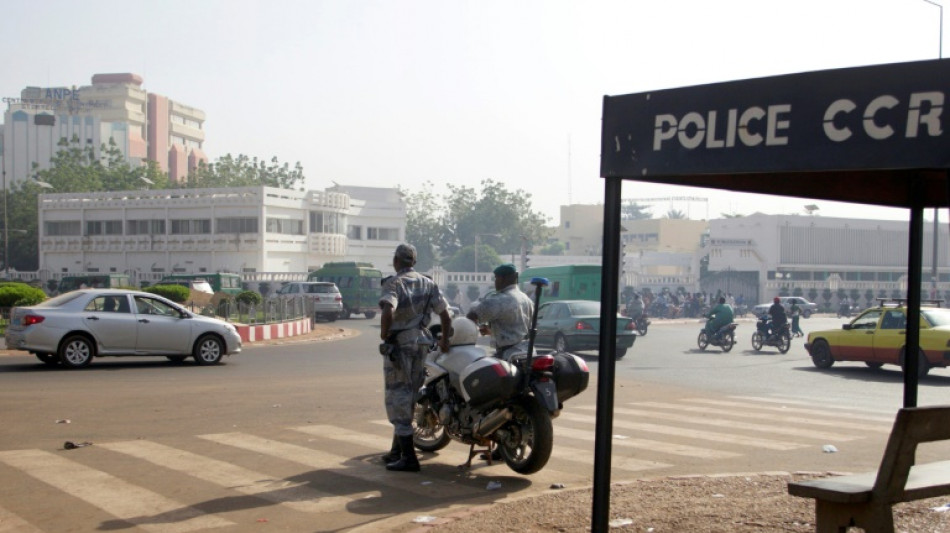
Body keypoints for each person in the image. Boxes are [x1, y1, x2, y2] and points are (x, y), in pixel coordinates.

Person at [378, 243, 453, 473]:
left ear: (396, 261)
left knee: (398, 396)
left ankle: (409, 458)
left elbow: (388, 310)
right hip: (421, 342)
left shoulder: (394, 282)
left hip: (400, 344)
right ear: (414, 262)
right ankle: (397, 451)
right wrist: (445, 341)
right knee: (411, 393)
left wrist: (385, 334)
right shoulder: (428, 283)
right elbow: (446, 314)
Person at [466, 263, 533, 360]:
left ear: (501, 279)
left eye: (496, 278)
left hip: (508, 355)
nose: (495, 282)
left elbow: (472, 316)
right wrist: (491, 331)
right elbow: (517, 329)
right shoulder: (526, 299)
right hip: (526, 353)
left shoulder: (498, 300)